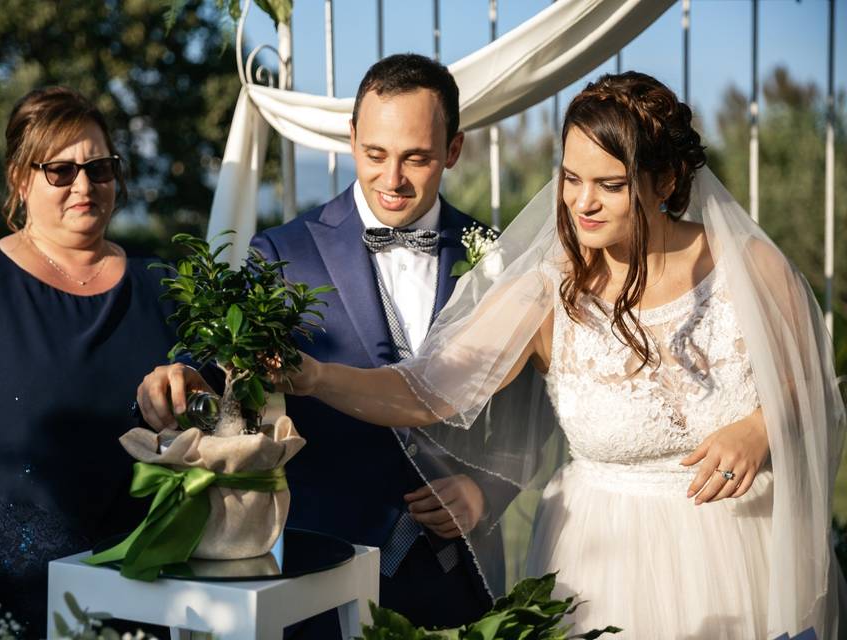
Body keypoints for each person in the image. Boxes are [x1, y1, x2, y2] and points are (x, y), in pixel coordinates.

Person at [270, 72, 847, 638]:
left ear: (666, 181)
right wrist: (316, 375)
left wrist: (761, 426)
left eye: (610, 184)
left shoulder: (751, 267)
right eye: (572, 178)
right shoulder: (547, 290)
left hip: (743, 557)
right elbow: (427, 388)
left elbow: (815, 384)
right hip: (604, 569)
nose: (583, 203)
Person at [137, 53, 521, 634]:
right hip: (321, 568)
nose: (391, 180)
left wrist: (486, 490)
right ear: (351, 139)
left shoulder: (497, 257)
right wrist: (181, 377)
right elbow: (221, 359)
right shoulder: (283, 252)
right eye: (374, 154)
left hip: (456, 577)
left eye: (416, 157)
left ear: (455, 150)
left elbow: (534, 412)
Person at [0, 87, 178, 637]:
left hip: (147, 588)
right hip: (7, 595)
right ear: (21, 179)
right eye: (61, 172)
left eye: (99, 167)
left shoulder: (162, 288)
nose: (85, 186)